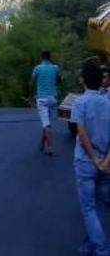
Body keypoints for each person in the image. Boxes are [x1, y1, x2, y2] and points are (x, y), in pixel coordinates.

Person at [70, 63, 110, 255]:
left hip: (86, 162)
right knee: (100, 207)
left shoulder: (80, 102)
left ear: (83, 81)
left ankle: (101, 250)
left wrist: (94, 158)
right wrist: (106, 161)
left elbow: (82, 131)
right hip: (106, 164)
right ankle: (88, 246)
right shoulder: (108, 102)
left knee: (88, 208)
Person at [31, 51, 61, 156]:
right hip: (52, 98)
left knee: (46, 124)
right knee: (46, 121)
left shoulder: (37, 68)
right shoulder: (55, 67)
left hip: (42, 98)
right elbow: (59, 80)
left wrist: (34, 94)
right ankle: (42, 144)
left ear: (41, 57)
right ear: (50, 57)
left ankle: (50, 147)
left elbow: (32, 82)